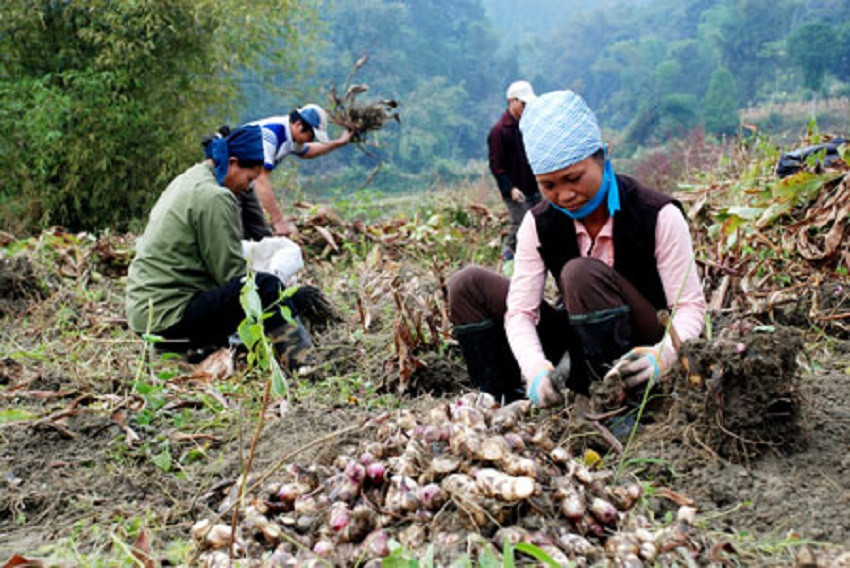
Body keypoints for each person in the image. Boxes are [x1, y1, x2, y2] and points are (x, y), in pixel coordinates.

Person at [450, 90, 706, 407]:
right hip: (581, 346)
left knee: (580, 272)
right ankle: (501, 403)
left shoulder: (657, 213)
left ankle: (619, 405)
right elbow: (520, 313)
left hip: (644, 350)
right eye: (549, 186)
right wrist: (535, 367)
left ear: (602, 156)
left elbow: (690, 308)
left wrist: (664, 356)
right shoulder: (539, 222)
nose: (565, 195)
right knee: (467, 284)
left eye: (574, 178)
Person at [125, 125, 313, 371]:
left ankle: (189, 349)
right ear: (233, 162)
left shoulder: (191, 178)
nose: (247, 188)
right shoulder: (216, 198)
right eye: (249, 178)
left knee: (283, 295)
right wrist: (276, 293)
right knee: (267, 287)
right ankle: (304, 364)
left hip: (146, 315)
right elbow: (231, 276)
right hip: (170, 318)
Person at [237, 105, 353, 240]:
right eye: (311, 135)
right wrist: (278, 221)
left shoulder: (290, 135)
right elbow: (261, 179)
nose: (311, 139)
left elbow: (307, 151)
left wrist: (338, 142)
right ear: (298, 125)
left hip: (245, 185)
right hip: (228, 180)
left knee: (261, 234)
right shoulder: (271, 134)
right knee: (234, 234)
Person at [487, 80, 542, 261]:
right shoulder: (499, 131)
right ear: (512, 101)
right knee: (522, 223)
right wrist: (510, 188)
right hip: (514, 189)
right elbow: (497, 166)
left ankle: (533, 259)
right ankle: (507, 257)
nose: (526, 107)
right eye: (523, 103)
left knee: (541, 220)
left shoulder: (528, 126)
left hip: (532, 185)